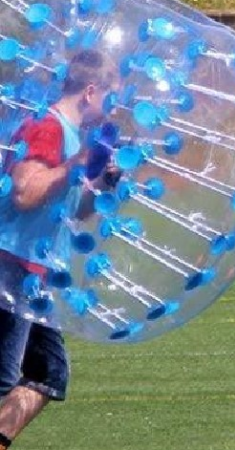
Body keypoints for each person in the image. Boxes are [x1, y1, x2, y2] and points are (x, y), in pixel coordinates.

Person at [0, 49, 120, 450]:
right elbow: (24, 192)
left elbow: (74, 212)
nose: (112, 108)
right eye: (110, 97)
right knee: (2, 376)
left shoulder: (73, 138)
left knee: (47, 373)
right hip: (10, 264)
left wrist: (99, 184)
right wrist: (73, 166)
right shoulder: (47, 127)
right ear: (90, 92)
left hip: (36, 272)